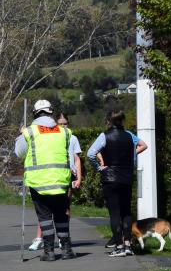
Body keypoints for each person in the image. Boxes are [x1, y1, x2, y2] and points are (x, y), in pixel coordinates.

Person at [14, 99, 81, 261]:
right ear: (51, 112)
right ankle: (66, 249)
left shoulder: (29, 132)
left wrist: (20, 134)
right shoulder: (64, 132)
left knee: (44, 217)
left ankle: (49, 252)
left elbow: (18, 153)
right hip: (60, 180)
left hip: (39, 182)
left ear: (35, 113)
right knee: (61, 216)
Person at [85, 110, 148, 257]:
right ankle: (127, 245)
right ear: (122, 121)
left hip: (110, 178)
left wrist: (99, 167)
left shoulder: (104, 136)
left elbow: (90, 153)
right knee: (126, 212)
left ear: (108, 121)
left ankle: (118, 245)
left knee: (114, 213)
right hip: (126, 178)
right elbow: (139, 151)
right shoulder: (129, 136)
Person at [28, 111, 81, 251]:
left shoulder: (70, 136)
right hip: (56, 176)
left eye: (65, 124)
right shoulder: (51, 136)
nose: (63, 126)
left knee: (60, 212)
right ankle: (43, 239)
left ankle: (61, 242)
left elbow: (76, 158)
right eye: (60, 124)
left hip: (65, 175)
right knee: (50, 213)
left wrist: (78, 177)